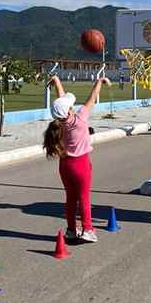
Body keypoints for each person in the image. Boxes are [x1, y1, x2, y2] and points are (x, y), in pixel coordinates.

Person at [43, 74, 109, 243]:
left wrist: (57, 81)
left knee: (71, 198)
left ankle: (71, 230)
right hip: (80, 165)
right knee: (84, 198)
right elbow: (92, 98)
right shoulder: (80, 119)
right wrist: (99, 81)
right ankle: (87, 229)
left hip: (65, 166)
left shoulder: (58, 125)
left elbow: (61, 102)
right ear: (70, 110)